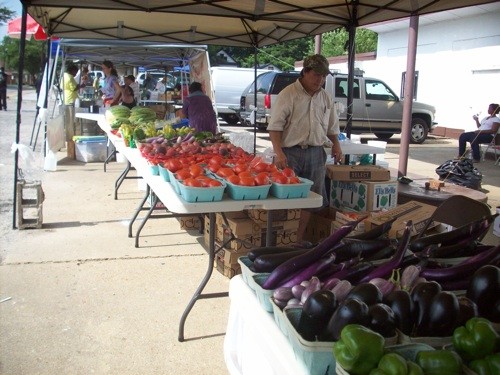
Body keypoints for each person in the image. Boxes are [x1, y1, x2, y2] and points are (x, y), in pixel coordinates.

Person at [267, 54, 342, 243]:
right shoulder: (288, 94)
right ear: (305, 72)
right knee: (286, 197)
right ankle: (281, 239)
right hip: (290, 153)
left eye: (324, 76)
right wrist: (279, 152)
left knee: (311, 200)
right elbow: (275, 127)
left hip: (316, 153)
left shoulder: (325, 97)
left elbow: (332, 127)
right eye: (317, 75)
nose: (321, 80)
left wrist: (337, 146)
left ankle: (296, 240)